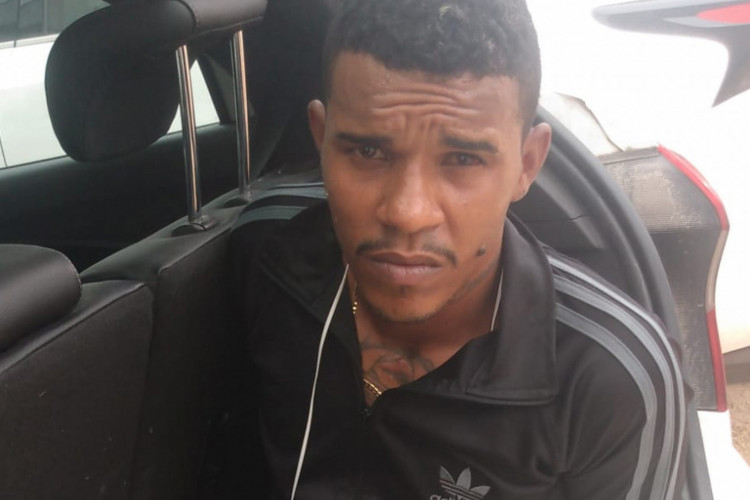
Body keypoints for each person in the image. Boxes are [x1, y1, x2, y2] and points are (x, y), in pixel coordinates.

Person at [231, 0, 688, 498]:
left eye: (463, 159)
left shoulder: (609, 374)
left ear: (527, 164)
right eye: (368, 151)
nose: (408, 213)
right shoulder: (271, 254)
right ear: (320, 141)